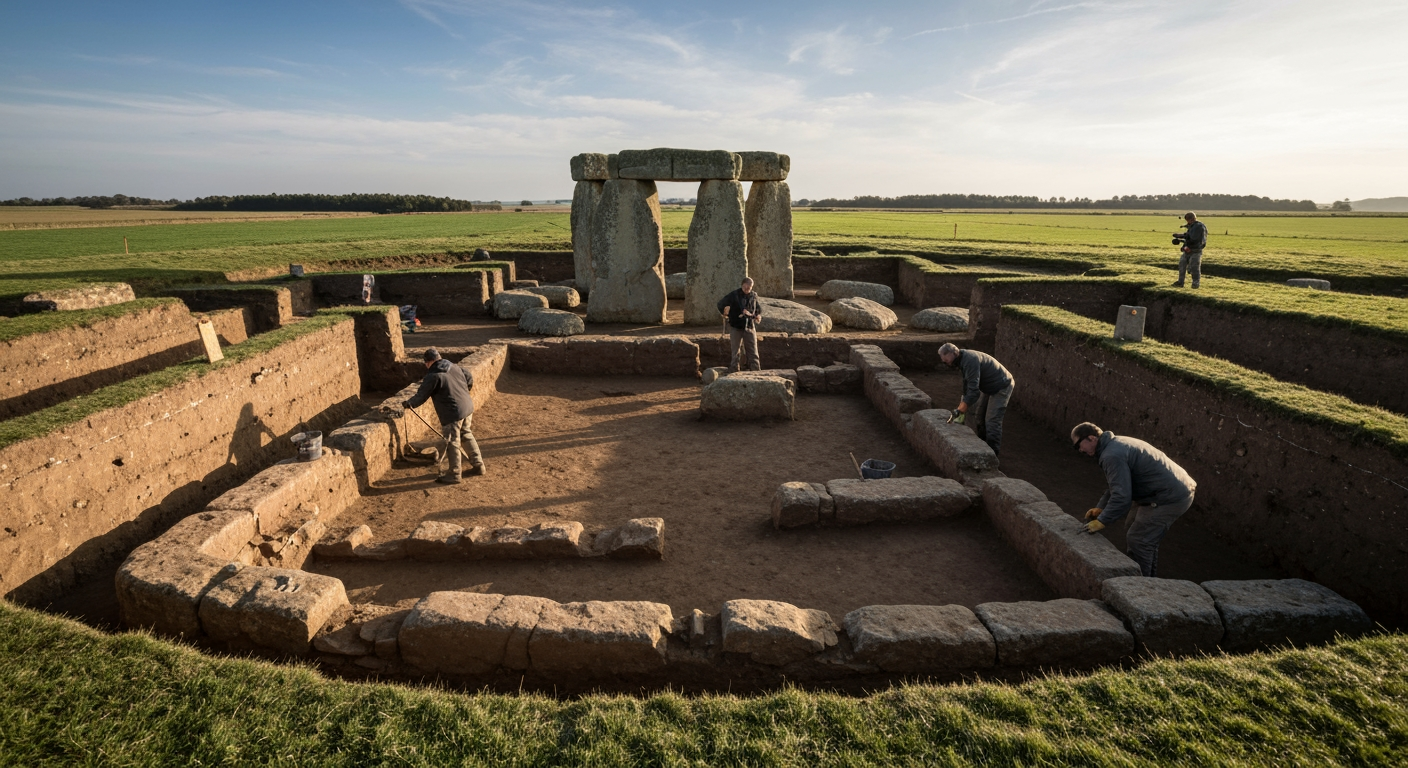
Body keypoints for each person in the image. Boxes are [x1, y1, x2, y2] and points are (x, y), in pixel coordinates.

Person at [1071, 422, 1197, 577]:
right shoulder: (1115, 445)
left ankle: (1142, 587)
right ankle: (1147, 577)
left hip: (1170, 498)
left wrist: (1102, 520)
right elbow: (1118, 485)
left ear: (1091, 438)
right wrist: (1101, 507)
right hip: (1165, 490)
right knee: (1136, 528)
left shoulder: (1111, 455)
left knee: (1139, 539)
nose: (1080, 450)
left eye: (1078, 445)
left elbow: (1122, 496)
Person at [404, 347, 485, 484]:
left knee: (452, 441)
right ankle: (478, 465)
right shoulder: (454, 367)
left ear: (428, 362)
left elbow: (422, 395)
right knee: (466, 434)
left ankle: (454, 474)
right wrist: (463, 394)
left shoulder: (433, 375)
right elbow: (469, 378)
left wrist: (409, 403)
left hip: (452, 412)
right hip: (467, 407)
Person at [938, 342, 1014, 455]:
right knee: (979, 417)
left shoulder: (970, 360)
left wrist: (960, 410)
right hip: (988, 385)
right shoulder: (961, 358)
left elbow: (974, 392)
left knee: (992, 420)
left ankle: (992, 454)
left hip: (1001, 385)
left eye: (946, 359)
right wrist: (963, 402)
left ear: (954, 353)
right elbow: (967, 383)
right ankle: (982, 446)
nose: (944, 362)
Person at [717, 277, 763, 372]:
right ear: (742, 285)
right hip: (736, 326)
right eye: (746, 287)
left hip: (749, 326)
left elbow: (758, 308)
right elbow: (720, 304)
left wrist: (758, 315)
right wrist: (725, 312)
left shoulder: (753, 296)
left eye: (750, 288)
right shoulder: (733, 295)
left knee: (753, 351)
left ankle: (755, 370)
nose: (748, 289)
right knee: (736, 351)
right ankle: (734, 370)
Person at [1172, 211, 1208, 288]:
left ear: (1192, 219)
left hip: (1195, 251)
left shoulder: (1199, 226)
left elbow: (1193, 239)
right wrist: (1181, 241)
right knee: (1182, 265)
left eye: (1188, 220)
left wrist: (1181, 237)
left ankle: (1195, 283)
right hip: (1187, 250)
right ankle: (1180, 282)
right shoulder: (1192, 226)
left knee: (1194, 267)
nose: (1188, 222)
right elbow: (1189, 236)